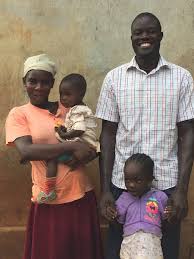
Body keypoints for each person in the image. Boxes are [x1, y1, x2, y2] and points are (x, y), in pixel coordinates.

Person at [96, 12, 194, 259]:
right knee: (119, 251)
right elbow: (107, 136)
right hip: (123, 185)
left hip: (166, 186)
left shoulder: (181, 78)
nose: (144, 37)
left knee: (166, 251)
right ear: (131, 38)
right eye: (138, 33)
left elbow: (188, 134)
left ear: (160, 36)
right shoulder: (114, 79)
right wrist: (106, 189)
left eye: (150, 31)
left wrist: (182, 189)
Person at [5, 53, 103, 259]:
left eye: (45, 82)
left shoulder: (70, 108)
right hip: (48, 199)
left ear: (52, 84)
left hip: (80, 194)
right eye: (33, 81)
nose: (39, 87)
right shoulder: (19, 114)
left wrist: (85, 150)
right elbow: (27, 150)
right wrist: (70, 146)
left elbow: (89, 145)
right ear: (24, 82)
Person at [37, 73, 100, 203]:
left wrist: (65, 135)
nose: (63, 98)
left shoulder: (77, 110)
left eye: (67, 94)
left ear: (81, 94)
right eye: (61, 94)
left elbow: (79, 129)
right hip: (82, 145)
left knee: (51, 157)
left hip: (81, 143)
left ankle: (49, 190)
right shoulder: (77, 108)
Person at [107, 153, 169, 259]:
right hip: (129, 246)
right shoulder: (123, 199)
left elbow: (167, 221)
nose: (131, 185)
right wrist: (112, 215)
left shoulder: (159, 197)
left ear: (150, 180)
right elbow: (118, 224)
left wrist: (170, 214)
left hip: (151, 247)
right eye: (127, 180)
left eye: (138, 180)